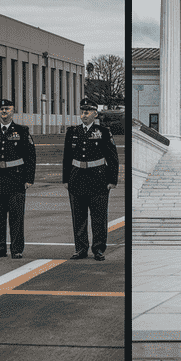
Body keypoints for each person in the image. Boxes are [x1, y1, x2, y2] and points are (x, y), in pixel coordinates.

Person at [62, 98, 119, 261]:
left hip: (98, 179)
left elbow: (112, 157)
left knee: (99, 218)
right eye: (82, 111)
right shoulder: (72, 132)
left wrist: (112, 179)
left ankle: (98, 249)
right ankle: (80, 248)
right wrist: (65, 179)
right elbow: (67, 157)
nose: (84, 114)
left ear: (95, 114)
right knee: (78, 217)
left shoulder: (104, 132)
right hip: (77, 178)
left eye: (87, 111)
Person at [0, 98, 36, 259]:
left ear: (13, 111)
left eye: (8, 109)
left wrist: (29, 179)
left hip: (16, 179)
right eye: (2, 109)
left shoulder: (22, 131)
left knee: (16, 217)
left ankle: (17, 249)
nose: (4, 111)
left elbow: (30, 157)